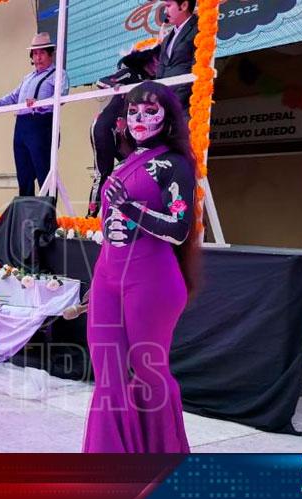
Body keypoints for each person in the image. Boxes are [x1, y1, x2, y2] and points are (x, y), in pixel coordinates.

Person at [83, 81, 199, 453]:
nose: (140, 119)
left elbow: (180, 230)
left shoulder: (174, 164)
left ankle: (161, 460)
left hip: (152, 279)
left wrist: (132, 210)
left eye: (150, 111)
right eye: (133, 112)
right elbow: (101, 134)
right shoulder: (125, 163)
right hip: (108, 276)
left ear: (168, 119)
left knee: (148, 372)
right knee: (108, 378)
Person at [0, 33, 69, 197]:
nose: (38, 57)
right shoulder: (27, 77)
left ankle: (47, 216)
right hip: (22, 125)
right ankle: (26, 215)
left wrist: (40, 105)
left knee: (44, 171)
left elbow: (61, 97)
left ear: (50, 54)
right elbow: (13, 96)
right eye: (35, 53)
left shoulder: (59, 74)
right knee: (24, 174)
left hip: (42, 124)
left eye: (42, 53)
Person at [88, 43, 162, 217]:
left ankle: (127, 215)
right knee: (103, 172)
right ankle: (90, 218)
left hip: (128, 133)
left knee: (136, 170)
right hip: (107, 127)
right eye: (156, 58)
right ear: (147, 57)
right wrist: (118, 88)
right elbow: (103, 81)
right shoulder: (131, 72)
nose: (158, 63)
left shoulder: (154, 81)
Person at [155, 0, 198, 114]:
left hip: (186, 108)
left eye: (168, 5)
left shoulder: (200, 28)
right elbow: (160, 72)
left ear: (184, 5)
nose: (165, 11)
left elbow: (198, 70)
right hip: (165, 108)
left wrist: (172, 103)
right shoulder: (167, 38)